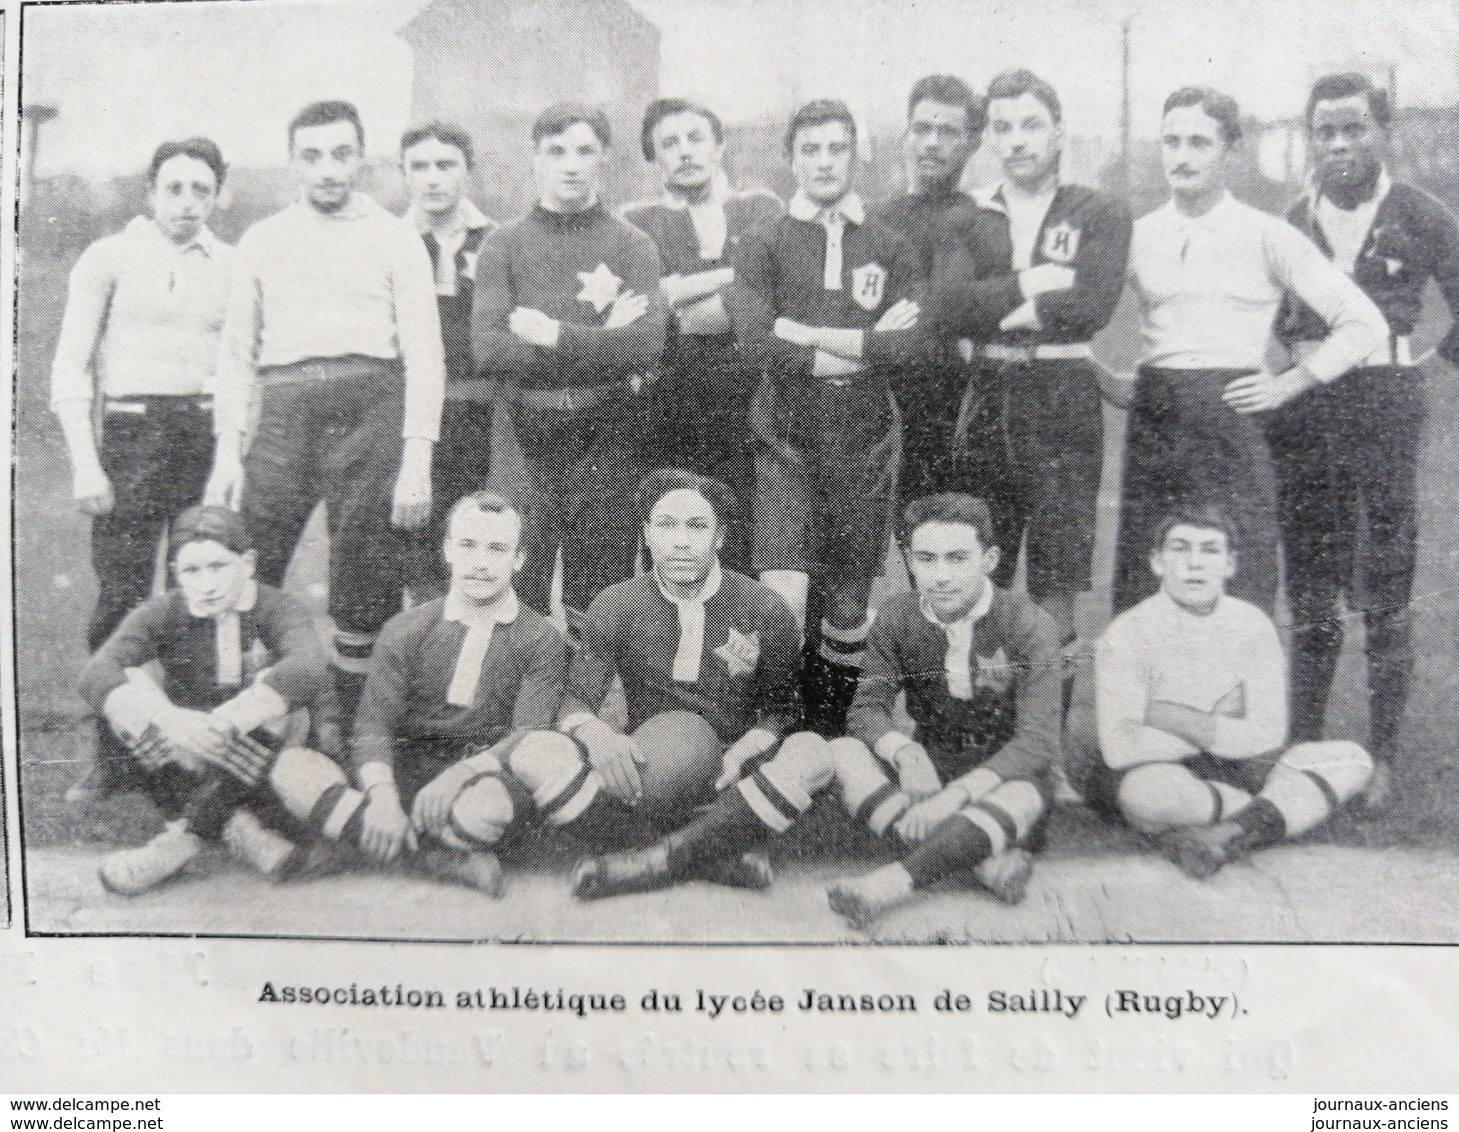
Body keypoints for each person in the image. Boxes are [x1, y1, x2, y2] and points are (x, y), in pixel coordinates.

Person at [575, 494, 1062, 934]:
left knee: (1022, 795)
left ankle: (887, 886)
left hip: (1004, 777)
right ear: (909, 561)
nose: (941, 575)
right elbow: (867, 709)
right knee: (839, 751)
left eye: (958, 559)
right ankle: (981, 861)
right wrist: (906, 748)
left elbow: (1039, 741)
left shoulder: (1029, 625)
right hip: (932, 767)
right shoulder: (898, 615)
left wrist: (955, 795)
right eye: (926, 559)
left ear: (991, 560)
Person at [205, 99, 445, 718]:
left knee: (364, 572)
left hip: (371, 407)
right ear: (293, 162)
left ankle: (351, 725)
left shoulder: (396, 238)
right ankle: (236, 719)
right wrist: (227, 453)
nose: (328, 169)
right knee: (248, 558)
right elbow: (235, 354)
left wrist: (417, 455)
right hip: (285, 409)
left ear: (362, 157)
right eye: (312, 156)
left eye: (342, 154)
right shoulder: (263, 239)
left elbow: (425, 355)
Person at [1113, 86, 1386, 615]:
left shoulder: (1267, 235)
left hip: (1234, 415)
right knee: (1144, 588)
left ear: (1230, 150)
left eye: (1199, 142)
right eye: (1171, 141)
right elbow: (1079, 306)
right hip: (1155, 418)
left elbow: (1363, 323)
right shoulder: (1136, 235)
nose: (1182, 156)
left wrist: (1290, 382)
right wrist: (1106, 373)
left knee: (1239, 585)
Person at [1269, 73, 1459, 811]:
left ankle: (1380, 757)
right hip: (1307, 411)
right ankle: (1305, 747)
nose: (1340, 144)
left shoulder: (1420, 213)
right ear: (1309, 138)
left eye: (1354, 128)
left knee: (1383, 585)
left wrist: (1425, 371)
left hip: (1383, 408)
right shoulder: (1290, 217)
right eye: (1325, 131)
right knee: (1311, 586)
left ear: (1384, 132)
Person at [259, 493, 587, 895]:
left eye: (497, 549)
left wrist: (458, 775)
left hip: (483, 767)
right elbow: (373, 725)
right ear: (448, 550)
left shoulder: (540, 637)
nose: (480, 562)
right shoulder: (406, 629)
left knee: (491, 808)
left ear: (519, 559)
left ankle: (361, 842)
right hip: (407, 761)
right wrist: (381, 797)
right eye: (467, 545)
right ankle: (434, 856)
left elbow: (526, 734)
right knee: (291, 768)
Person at [726, 99, 925, 733]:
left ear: (857, 154)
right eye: (810, 150)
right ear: (790, 159)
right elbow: (756, 340)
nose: (824, 162)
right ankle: (777, 722)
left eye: (837, 148)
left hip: (862, 432)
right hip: (784, 424)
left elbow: (909, 346)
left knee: (848, 586)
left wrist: (804, 332)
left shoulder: (890, 243)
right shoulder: (764, 240)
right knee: (782, 578)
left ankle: (833, 726)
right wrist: (857, 346)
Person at [50, 138, 235, 798]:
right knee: (121, 601)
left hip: (205, 433)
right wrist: (85, 463)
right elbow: (69, 366)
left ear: (219, 194)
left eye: (201, 189)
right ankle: (112, 754)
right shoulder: (109, 257)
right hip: (130, 435)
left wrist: (230, 456)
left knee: (202, 596)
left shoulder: (233, 265)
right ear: (151, 191)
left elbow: (243, 369)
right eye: (174, 187)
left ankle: (192, 754)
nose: (187, 202)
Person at [931, 70, 1132, 648]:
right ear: (989, 139)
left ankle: (1048, 734)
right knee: (977, 572)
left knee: (1056, 578)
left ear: (1060, 132)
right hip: (989, 395)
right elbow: (948, 308)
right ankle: (973, 730)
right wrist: (1039, 282)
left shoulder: (1098, 211)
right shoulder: (966, 217)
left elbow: (1092, 305)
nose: (1017, 140)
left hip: (1063, 395)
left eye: (1031, 125)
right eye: (1002, 128)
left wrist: (998, 304)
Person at [1075, 507, 1373, 878]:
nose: (1194, 564)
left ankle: (1223, 833)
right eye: (1180, 549)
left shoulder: (1252, 624)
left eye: (1210, 551)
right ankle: (1268, 814)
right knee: (1148, 796)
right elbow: (1123, 749)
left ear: (1230, 564)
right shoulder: (1128, 632)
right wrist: (1219, 724)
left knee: (1352, 759)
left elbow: (1269, 732)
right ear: (1157, 561)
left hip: (1236, 765)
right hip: (1156, 770)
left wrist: (1171, 716)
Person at [470, 102, 667, 622]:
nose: (571, 165)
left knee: (597, 592)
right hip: (524, 426)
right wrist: (604, 340)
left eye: (584, 151)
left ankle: (579, 703)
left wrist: (554, 333)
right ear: (536, 159)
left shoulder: (632, 245)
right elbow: (489, 349)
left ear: (604, 157)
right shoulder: (504, 245)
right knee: (517, 585)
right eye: (556, 152)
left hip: (607, 426)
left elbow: (647, 346)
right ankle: (523, 699)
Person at [77, 506, 336, 895]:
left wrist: (229, 719)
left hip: (262, 757)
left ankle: (182, 841)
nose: (206, 585)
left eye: (219, 566)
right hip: (187, 753)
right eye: (191, 572)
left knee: (280, 694)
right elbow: (96, 673)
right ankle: (239, 830)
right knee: (129, 685)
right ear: (176, 573)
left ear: (247, 563)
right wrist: (171, 719)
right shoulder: (163, 612)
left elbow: (309, 666)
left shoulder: (277, 607)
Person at [559, 468, 803, 871]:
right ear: (646, 535)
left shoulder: (764, 607)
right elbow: (575, 695)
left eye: (697, 526)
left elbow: (784, 708)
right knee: (590, 759)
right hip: (655, 757)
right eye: (666, 525)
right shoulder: (617, 603)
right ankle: (711, 854)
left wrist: (752, 744)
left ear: (720, 538)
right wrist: (597, 733)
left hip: (734, 764)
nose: (681, 542)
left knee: (798, 760)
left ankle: (661, 855)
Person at [621, 98, 782, 572]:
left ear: (720, 146)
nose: (685, 152)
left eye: (696, 139)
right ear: (654, 156)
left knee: (743, 532)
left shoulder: (760, 207)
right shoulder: (639, 221)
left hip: (752, 398)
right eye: (669, 143)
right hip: (669, 401)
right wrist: (733, 279)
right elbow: (650, 305)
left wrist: (679, 293)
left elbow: (768, 294)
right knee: (670, 534)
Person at [869, 74, 986, 504]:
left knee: (942, 544)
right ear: (905, 135)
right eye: (922, 129)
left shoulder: (980, 219)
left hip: (948, 402)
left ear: (972, 142)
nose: (932, 143)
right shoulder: (870, 218)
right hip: (870, 396)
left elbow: (953, 311)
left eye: (948, 132)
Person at [399, 122, 498, 600]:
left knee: (483, 533)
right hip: (410, 413)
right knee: (415, 543)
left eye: (446, 165)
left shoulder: (498, 241)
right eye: (419, 167)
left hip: (485, 415)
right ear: (404, 174)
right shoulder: (389, 242)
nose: (432, 178)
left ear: (468, 171)